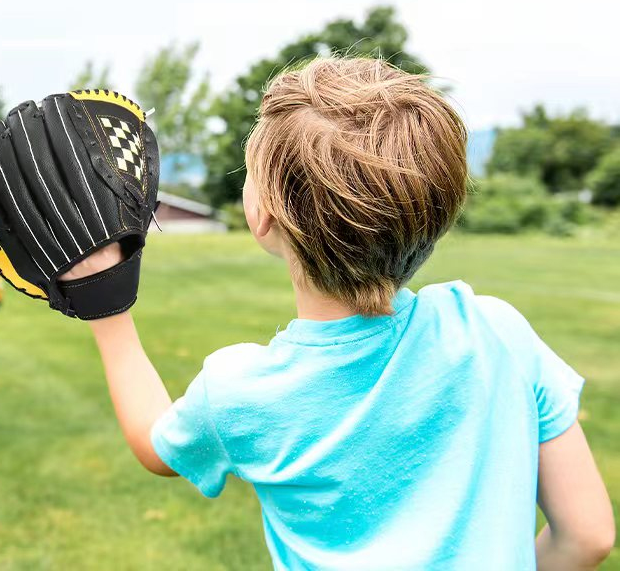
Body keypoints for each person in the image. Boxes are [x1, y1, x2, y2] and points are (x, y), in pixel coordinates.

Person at [63, 58, 615, 568]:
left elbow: (156, 446)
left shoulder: (243, 392)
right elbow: (588, 535)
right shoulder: (496, 331)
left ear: (263, 216)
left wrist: (105, 305)